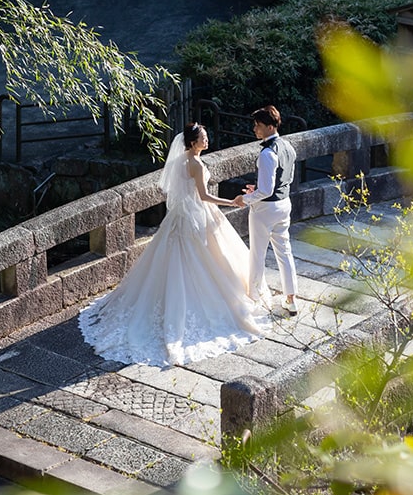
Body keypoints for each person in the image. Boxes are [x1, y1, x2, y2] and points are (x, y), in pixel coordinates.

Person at [78, 122, 269, 367]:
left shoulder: (181, 161)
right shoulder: (197, 164)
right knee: (206, 259)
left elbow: (180, 191)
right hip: (198, 214)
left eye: (206, 135)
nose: (207, 140)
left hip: (181, 215)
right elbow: (204, 196)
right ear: (192, 142)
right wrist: (233, 202)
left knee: (173, 259)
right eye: (203, 137)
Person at [233, 105, 299, 314]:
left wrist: (246, 198)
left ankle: (253, 297)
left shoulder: (267, 153)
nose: (255, 129)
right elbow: (283, 180)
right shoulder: (288, 147)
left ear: (270, 127)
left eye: (258, 125)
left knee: (258, 253)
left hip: (266, 209)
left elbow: (266, 190)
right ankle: (291, 298)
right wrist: (258, 189)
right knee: (284, 251)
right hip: (284, 204)